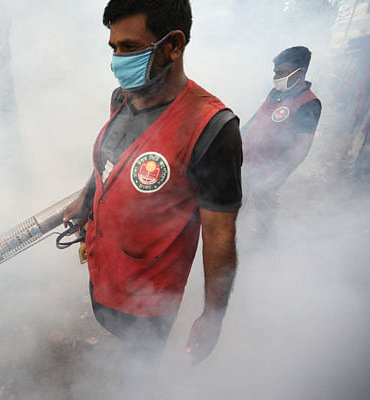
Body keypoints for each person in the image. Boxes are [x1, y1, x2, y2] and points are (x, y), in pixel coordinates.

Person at [63, 0, 242, 365]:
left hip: (149, 298)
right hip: (106, 270)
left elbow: (219, 233)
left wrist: (213, 315)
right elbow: (111, 159)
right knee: (118, 342)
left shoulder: (212, 129)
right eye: (113, 47)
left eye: (129, 47)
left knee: (139, 366)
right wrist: (86, 197)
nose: (116, 60)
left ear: (173, 45)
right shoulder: (122, 98)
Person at [241, 46, 322, 235]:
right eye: (275, 73)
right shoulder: (275, 92)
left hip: (270, 169)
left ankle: (265, 242)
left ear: (300, 73)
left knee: (265, 208)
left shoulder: (309, 103)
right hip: (247, 161)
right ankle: (232, 237)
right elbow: (255, 120)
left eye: (282, 72)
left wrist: (282, 173)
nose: (276, 77)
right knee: (236, 202)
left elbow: (303, 145)